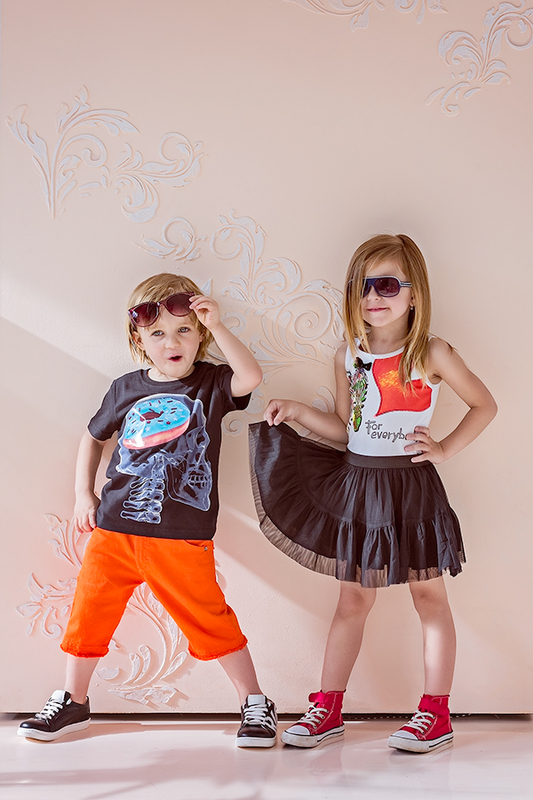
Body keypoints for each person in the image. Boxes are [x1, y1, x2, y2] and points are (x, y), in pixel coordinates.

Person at [249, 234, 496, 753]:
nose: (372, 297)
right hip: (359, 487)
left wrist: (445, 449)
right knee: (352, 600)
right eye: (361, 286)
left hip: (411, 488)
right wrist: (298, 411)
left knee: (429, 598)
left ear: (414, 293)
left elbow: (484, 405)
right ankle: (328, 708)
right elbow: (347, 429)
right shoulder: (348, 354)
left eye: (386, 285)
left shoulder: (431, 352)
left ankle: (436, 713)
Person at [19, 273, 277, 747]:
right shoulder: (125, 388)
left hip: (181, 535)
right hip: (114, 530)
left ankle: (255, 702)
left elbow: (251, 377)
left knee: (210, 618)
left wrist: (218, 325)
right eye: (157, 333)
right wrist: (83, 494)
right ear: (139, 339)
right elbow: (93, 438)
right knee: (88, 613)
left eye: (184, 330)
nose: (171, 342)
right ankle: (74, 700)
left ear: (199, 335)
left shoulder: (211, 383)